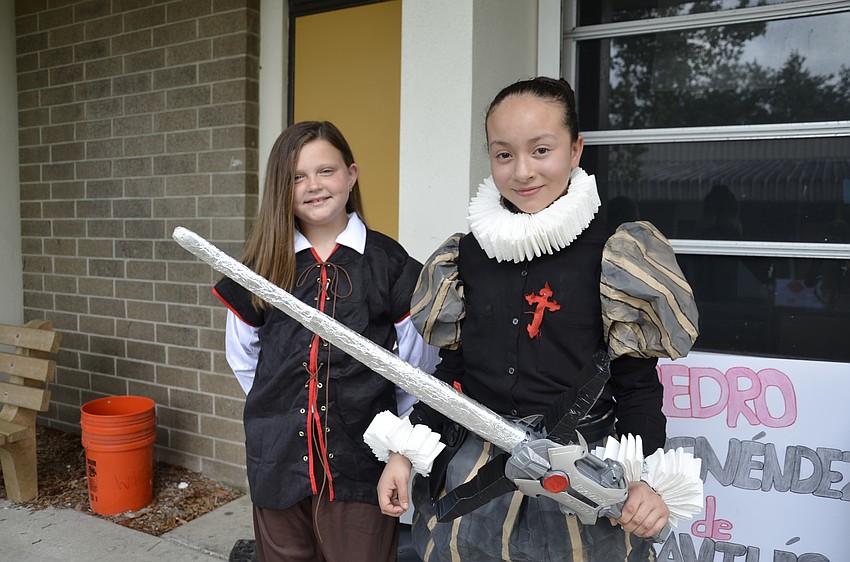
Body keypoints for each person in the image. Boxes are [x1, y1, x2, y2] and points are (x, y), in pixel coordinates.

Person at [375, 77, 698, 561]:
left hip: (581, 479)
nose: (522, 171)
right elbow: (453, 378)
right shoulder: (464, 257)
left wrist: (645, 478)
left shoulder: (616, 255)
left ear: (575, 150)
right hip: (475, 476)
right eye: (503, 154)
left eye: (541, 149)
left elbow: (638, 386)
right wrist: (404, 449)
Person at [212, 120, 438, 562]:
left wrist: (399, 445)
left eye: (326, 171)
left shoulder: (387, 263)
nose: (313, 186)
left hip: (361, 459)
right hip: (276, 458)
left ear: (351, 176)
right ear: (282, 188)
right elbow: (244, 358)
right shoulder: (262, 265)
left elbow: (418, 370)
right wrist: (284, 409)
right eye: (297, 177)